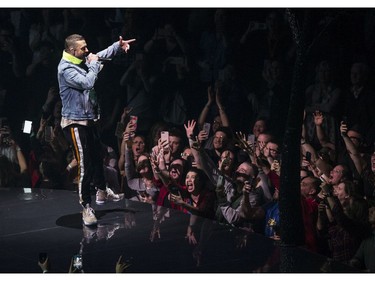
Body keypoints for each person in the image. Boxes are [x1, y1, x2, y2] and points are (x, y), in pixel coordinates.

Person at [57, 33, 135, 226]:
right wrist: (93, 63)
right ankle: (86, 206)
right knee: (84, 162)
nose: (86, 50)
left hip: (89, 119)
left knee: (96, 155)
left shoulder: (80, 60)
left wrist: (117, 46)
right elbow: (88, 82)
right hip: (75, 122)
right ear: (73, 50)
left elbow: (99, 54)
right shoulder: (66, 68)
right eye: (83, 48)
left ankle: (101, 189)